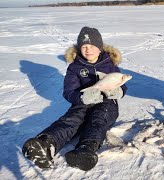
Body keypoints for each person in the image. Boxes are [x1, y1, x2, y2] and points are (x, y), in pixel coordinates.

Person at [22, 26, 127, 171]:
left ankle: (87, 148)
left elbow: (122, 85)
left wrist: (118, 91)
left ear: (100, 47)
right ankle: (46, 144)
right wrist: (82, 97)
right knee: (72, 118)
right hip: (83, 101)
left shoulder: (110, 65)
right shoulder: (75, 67)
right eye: (84, 46)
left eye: (91, 46)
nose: (88, 49)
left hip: (106, 103)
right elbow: (69, 92)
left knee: (98, 119)